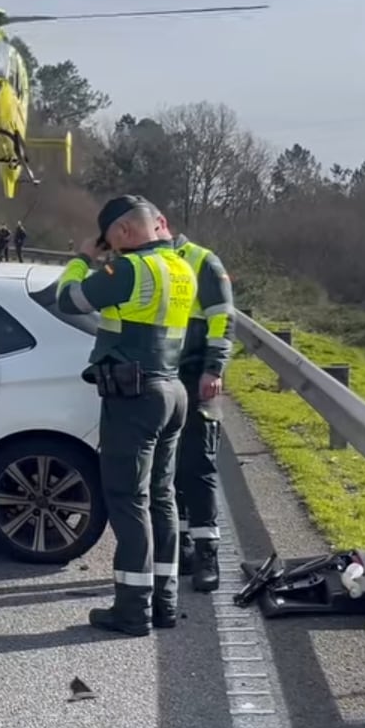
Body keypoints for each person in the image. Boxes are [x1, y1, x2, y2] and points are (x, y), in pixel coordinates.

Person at [56, 195, 197, 636]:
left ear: (121, 233)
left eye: (112, 242)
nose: (111, 250)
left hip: (134, 395)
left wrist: (83, 258)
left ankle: (133, 610)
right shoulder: (180, 267)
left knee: (128, 498)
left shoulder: (131, 269)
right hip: (173, 391)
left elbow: (69, 299)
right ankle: (164, 602)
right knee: (161, 497)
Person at [154, 214, 235, 592]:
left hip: (199, 377)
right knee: (169, 465)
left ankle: (207, 552)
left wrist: (213, 369)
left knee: (198, 464)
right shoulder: (150, 262)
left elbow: (222, 319)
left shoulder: (203, 260)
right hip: (164, 377)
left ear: (161, 223)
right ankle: (183, 544)